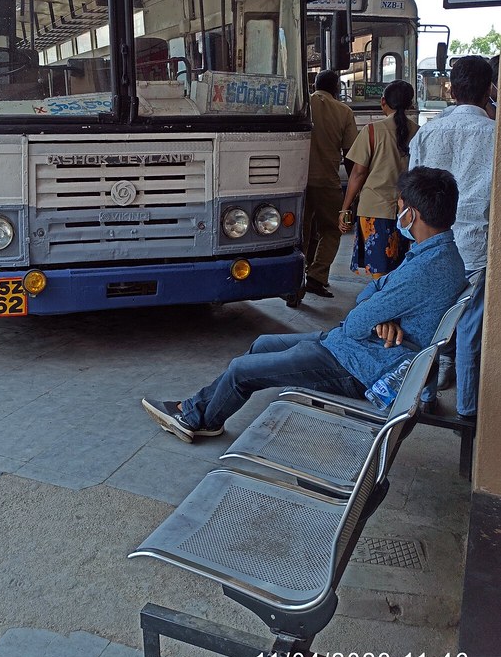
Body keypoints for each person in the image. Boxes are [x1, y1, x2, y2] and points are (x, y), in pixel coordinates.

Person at [142, 167, 467, 442]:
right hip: (359, 348)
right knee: (261, 344)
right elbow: (374, 293)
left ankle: (199, 420)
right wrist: (382, 313)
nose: (398, 214)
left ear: (413, 214)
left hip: (358, 366)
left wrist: (378, 310)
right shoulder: (439, 255)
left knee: (243, 371)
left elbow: (357, 321)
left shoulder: (426, 269)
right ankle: (197, 408)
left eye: (400, 208)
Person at [409, 55, 495, 420]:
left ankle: (423, 395)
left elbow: (412, 191)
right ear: (490, 89)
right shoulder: (496, 135)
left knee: (429, 323)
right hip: (479, 246)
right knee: (473, 328)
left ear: (451, 90)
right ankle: (468, 408)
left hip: (435, 245)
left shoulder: (427, 133)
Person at [339, 81, 418, 278]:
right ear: (410, 104)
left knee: (378, 273)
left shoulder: (372, 131)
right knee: (399, 269)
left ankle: (380, 305)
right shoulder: (418, 132)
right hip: (406, 212)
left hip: (373, 210)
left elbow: (358, 174)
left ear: (383, 102)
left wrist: (345, 207)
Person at [302, 70, 358, 298]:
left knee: (301, 232)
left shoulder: (302, 105)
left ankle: (296, 277)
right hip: (327, 181)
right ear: (337, 87)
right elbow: (350, 154)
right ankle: (316, 275)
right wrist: (355, 189)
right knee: (333, 229)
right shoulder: (344, 111)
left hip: (299, 183)